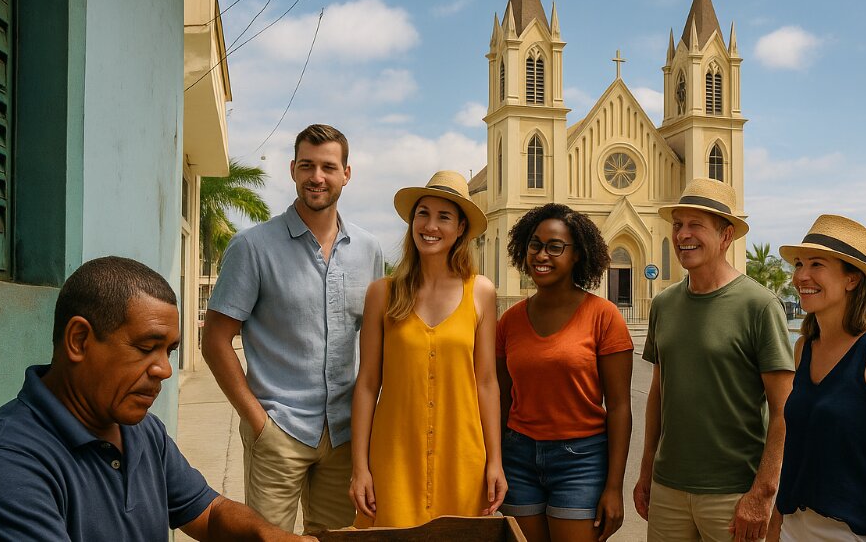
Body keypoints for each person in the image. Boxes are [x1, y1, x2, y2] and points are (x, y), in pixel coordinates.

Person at [0, 256, 314, 542]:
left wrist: (268, 535)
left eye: (169, 352)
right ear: (79, 340)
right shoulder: (3, 468)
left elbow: (209, 512)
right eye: (147, 348)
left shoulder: (142, 431)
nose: (164, 370)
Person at [203, 124, 384, 533]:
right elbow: (214, 340)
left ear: (346, 174)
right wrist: (256, 421)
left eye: (328, 167)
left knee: (335, 539)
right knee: (270, 541)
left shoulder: (369, 250)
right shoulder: (253, 247)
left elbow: (374, 340)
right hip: (278, 430)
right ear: (293, 170)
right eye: (307, 166)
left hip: (344, 435)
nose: (316, 177)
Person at [633, 178, 796, 542]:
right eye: (677, 225)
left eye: (695, 225)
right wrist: (646, 474)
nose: (682, 235)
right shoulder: (664, 304)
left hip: (733, 493)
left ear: (726, 237)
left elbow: (785, 409)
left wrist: (763, 493)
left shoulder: (760, 306)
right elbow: (659, 394)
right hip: (668, 489)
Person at [349, 170, 506, 528]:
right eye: (423, 213)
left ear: (461, 228)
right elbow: (367, 384)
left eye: (444, 216)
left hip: (463, 456)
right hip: (394, 457)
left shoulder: (480, 292)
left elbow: (486, 382)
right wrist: (360, 467)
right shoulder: (382, 294)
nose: (430, 225)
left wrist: (494, 461)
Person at [771, 215, 866, 541]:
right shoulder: (804, 347)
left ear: (852, 279)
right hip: (794, 529)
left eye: (817, 265)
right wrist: (775, 528)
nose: (801, 276)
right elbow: (796, 453)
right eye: (799, 264)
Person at [497, 204, 634, 542]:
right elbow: (500, 399)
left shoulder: (604, 316)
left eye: (555, 247)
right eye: (535, 244)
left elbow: (618, 407)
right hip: (518, 458)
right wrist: (494, 463)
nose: (541, 254)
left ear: (578, 255)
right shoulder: (509, 321)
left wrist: (614, 487)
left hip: (582, 461)